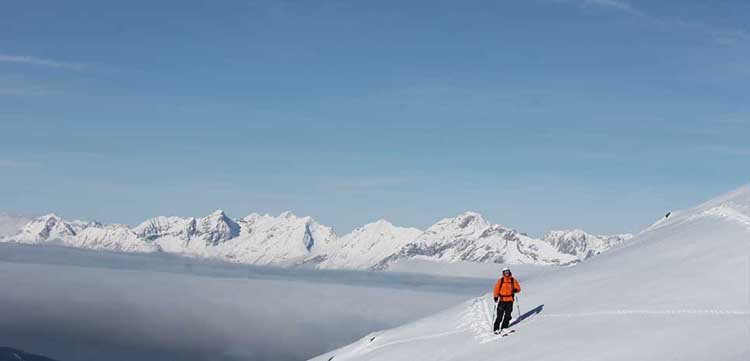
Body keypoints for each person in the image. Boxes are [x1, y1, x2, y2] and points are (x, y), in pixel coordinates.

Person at [492, 267, 521, 334]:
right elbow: (496, 289)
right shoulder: (501, 280)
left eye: (507, 271)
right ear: (503, 273)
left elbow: (518, 288)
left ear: (509, 272)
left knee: (508, 315)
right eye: (505, 272)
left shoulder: (513, 280)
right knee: (499, 315)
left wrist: (516, 290)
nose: (506, 273)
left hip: (510, 300)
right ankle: (496, 329)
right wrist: (495, 296)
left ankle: (504, 327)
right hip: (502, 300)